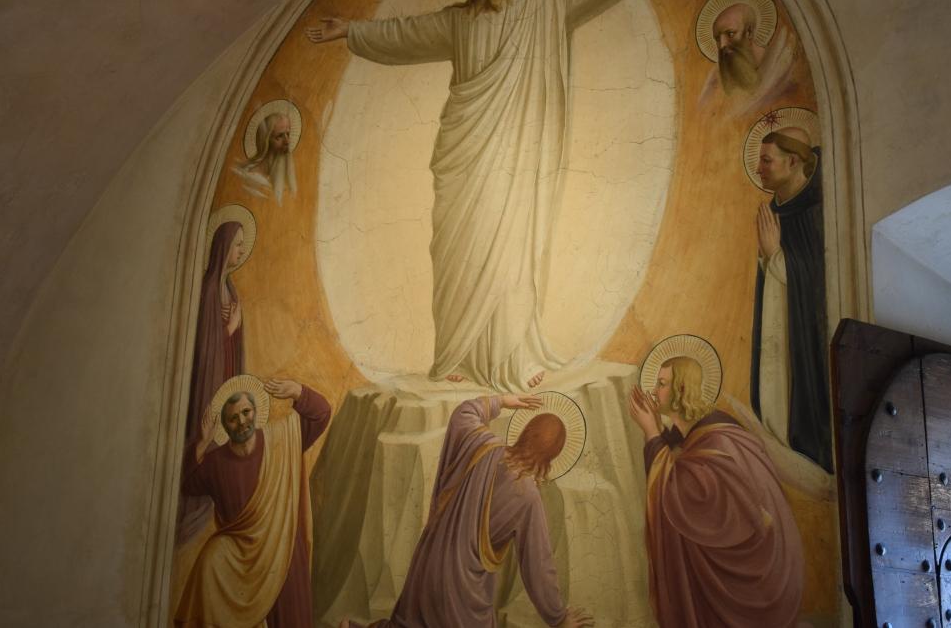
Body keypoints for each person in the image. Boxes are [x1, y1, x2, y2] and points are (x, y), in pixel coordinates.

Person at [307, 0, 700, 391]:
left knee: (512, 247)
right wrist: (350, 31)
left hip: (514, 152)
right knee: (457, 249)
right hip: (463, 151)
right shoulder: (456, 22)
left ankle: (515, 355)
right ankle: (455, 354)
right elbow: (404, 34)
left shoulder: (539, 6)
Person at [340, 394, 594, 628]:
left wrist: (501, 401)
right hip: (463, 590)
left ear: (526, 432)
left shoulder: (482, 445)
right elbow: (538, 564)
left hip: (428, 565)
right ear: (551, 457)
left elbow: (463, 414)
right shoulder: (528, 497)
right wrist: (558, 618)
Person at [628, 357, 804, 628]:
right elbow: (680, 459)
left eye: (662, 384)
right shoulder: (698, 431)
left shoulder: (719, 440)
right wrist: (658, 431)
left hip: (750, 566)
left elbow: (690, 497)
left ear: (681, 389)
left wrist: (651, 433)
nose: (654, 391)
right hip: (740, 550)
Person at [176, 377, 331, 628]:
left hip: (282, 553)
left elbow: (322, 414)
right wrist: (202, 443)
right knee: (210, 561)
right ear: (224, 426)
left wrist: (298, 392)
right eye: (233, 418)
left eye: (246, 412)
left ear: (255, 412)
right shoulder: (216, 463)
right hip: (239, 561)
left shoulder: (282, 440)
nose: (241, 422)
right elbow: (187, 484)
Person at [752, 125, 833, 472]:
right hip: (783, 324)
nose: (759, 168)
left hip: (811, 331)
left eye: (767, 161)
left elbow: (820, 280)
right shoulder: (778, 211)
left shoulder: (818, 211)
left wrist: (775, 255)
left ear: (793, 162)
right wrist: (769, 258)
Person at [177, 220, 249, 542]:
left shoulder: (229, 288)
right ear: (223, 247)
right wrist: (231, 328)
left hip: (227, 372)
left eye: (243, 245)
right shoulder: (209, 289)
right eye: (237, 244)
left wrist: (234, 331)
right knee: (208, 429)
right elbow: (204, 349)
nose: (241, 251)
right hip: (210, 377)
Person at [234, 109, 297, 204]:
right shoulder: (251, 178)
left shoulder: (283, 179)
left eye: (288, 134)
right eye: (279, 136)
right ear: (265, 141)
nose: (287, 141)